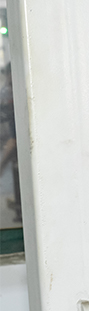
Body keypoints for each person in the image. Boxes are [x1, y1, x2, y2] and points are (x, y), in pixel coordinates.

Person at [0, 61, 21, 224]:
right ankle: (20, 207)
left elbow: (12, 141)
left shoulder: (16, 94)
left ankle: (21, 208)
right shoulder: (8, 93)